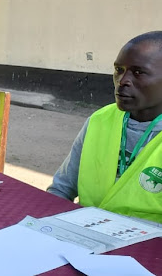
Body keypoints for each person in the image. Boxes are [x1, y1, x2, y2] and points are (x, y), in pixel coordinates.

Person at [47, 32, 162, 223]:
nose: (122, 81)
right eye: (119, 69)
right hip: (84, 235)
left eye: (138, 72)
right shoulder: (100, 120)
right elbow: (61, 189)